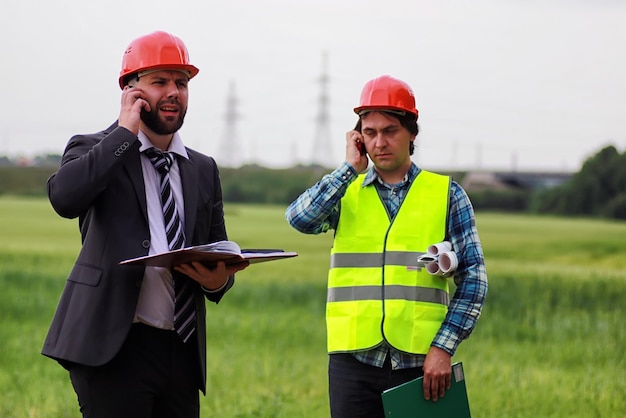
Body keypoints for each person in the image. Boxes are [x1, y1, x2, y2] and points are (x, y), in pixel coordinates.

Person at [41, 31, 248, 418]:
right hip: (113, 347)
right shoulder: (95, 147)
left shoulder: (203, 168)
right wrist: (124, 133)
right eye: (159, 82)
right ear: (131, 92)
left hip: (181, 351)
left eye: (181, 83)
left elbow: (219, 249)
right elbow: (64, 199)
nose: (173, 91)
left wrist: (218, 280)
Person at [285, 75, 488, 418]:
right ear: (359, 138)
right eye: (370, 132)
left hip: (421, 365)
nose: (380, 141)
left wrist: (443, 348)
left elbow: (474, 280)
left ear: (412, 134)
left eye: (390, 130)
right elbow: (300, 219)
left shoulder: (447, 194)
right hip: (354, 364)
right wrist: (349, 169)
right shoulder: (345, 191)